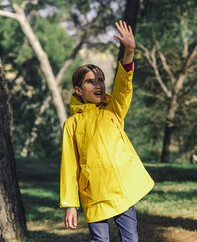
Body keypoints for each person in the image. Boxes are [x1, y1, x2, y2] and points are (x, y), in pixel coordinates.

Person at [60, 20, 155, 242]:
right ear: (78, 90)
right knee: (100, 241)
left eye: (101, 80)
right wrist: (70, 204)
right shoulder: (72, 124)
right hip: (93, 193)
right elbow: (69, 166)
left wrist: (129, 51)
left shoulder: (113, 109)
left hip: (122, 191)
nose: (99, 85)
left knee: (130, 238)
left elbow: (124, 86)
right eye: (91, 82)